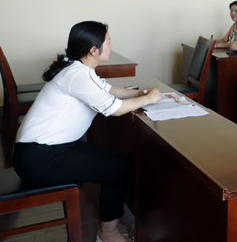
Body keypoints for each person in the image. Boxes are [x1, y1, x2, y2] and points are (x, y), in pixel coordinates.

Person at [14, 21, 162, 242]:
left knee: (118, 161)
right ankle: (108, 235)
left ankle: (123, 219)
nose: (112, 46)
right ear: (94, 50)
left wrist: (138, 93)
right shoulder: (78, 75)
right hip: (40, 159)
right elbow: (115, 109)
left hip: (47, 150)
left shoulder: (78, 69)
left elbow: (107, 90)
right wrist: (150, 99)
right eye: (108, 41)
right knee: (116, 169)